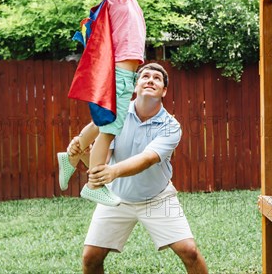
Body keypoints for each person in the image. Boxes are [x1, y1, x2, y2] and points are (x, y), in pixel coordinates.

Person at [67, 63, 208, 274]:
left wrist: (113, 172)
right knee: (90, 257)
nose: (150, 80)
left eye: (157, 78)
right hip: (117, 197)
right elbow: (100, 163)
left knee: (190, 252)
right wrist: (81, 153)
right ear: (136, 86)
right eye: (145, 76)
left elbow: (147, 159)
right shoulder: (115, 115)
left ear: (164, 91)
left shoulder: (170, 126)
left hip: (157, 198)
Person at [57, 0, 146, 206]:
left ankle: (73, 153)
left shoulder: (125, 1)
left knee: (102, 122)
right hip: (120, 74)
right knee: (109, 130)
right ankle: (94, 183)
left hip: (123, 76)